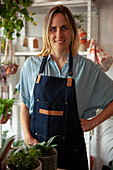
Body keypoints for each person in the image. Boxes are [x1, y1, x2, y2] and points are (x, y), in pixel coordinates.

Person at [16, 5, 113, 170]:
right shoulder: (31, 66)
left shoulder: (87, 68)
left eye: (64, 28)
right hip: (37, 154)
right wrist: (27, 136)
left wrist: (93, 122)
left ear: (72, 31)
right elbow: (25, 105)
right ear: (47, 32)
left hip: (73, 155)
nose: (58, 34)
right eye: (53, 29)